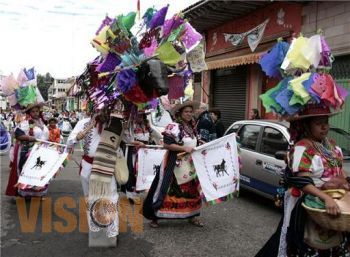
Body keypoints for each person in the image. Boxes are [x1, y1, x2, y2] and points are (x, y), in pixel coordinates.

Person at [255, 105, 350, 257]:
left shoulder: (332, 146)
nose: (324, 127)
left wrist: (345, 182)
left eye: (325, 122)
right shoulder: (302, 148)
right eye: (318, 123)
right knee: (311, 244)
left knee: (338, 243)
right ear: (307, 125)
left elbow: (339, 170)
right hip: (312, 205)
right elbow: (302, 182)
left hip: (335, 202)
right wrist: (325, 198)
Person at [143, 101, 203, 228]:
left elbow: (193, 143)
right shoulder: (173, 126)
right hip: (175, 162)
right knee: (166, 189)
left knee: (192, 189)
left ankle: (192, 215)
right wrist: (184, 149)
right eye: (186, 112)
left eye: (190, 112)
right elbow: (167, 144)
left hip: (190, 163)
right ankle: (155, 216)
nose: (189, 114)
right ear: (180, 113)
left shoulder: (192, 127)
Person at [66, 111, 122, 238]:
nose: (102, 111)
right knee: (90, 198)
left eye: (106, 108)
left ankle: (112, 231)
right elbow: (69, 142)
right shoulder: (84, 123)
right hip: (88, 166)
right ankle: (95, 229)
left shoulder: (114, 123)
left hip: (106, 166)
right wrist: (80, 135)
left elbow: (128, 138)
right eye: (99, 108)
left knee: (111, 197)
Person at [5, 104, 50, 198]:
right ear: (29, 113)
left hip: (43, 151)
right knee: (27, 171)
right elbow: (18, 134)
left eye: (37, 111)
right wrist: (30, 138)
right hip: (29, 151)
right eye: (33, 111)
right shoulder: (26, 123)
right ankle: (25, 192)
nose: (35, 113)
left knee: (39, 172)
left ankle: (37, 192)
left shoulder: (42, 122)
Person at [121, 112, 158, 202]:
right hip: (133, 151)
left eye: (142, 115)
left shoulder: (146, 124)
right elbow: (125, 138)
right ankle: (129, 193)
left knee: (141, 171)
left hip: (143, 152)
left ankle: (137, 192)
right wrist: (138, 143)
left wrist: (161, 138)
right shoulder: (130, 124)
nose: (140, 117)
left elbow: (155, 134)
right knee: (132, 170)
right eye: (138, 115)